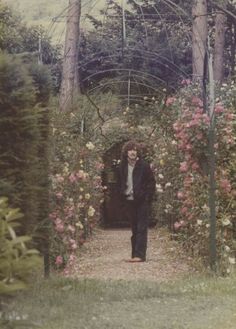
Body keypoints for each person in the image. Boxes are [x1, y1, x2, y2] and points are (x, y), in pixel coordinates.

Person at [117, 140, 156, 262]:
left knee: (142, 228)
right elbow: (119, 184)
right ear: (126, 152)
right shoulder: (121, 167)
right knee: (134, 228)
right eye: (130, 150)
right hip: (129, 200)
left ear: (137, 152)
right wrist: (122, 195)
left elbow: (151, 182)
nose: (133, 152)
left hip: (142, 200)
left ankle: (140, 255)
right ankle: (134, 254)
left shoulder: (144, 166)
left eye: (135, 150)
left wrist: (147, 197)